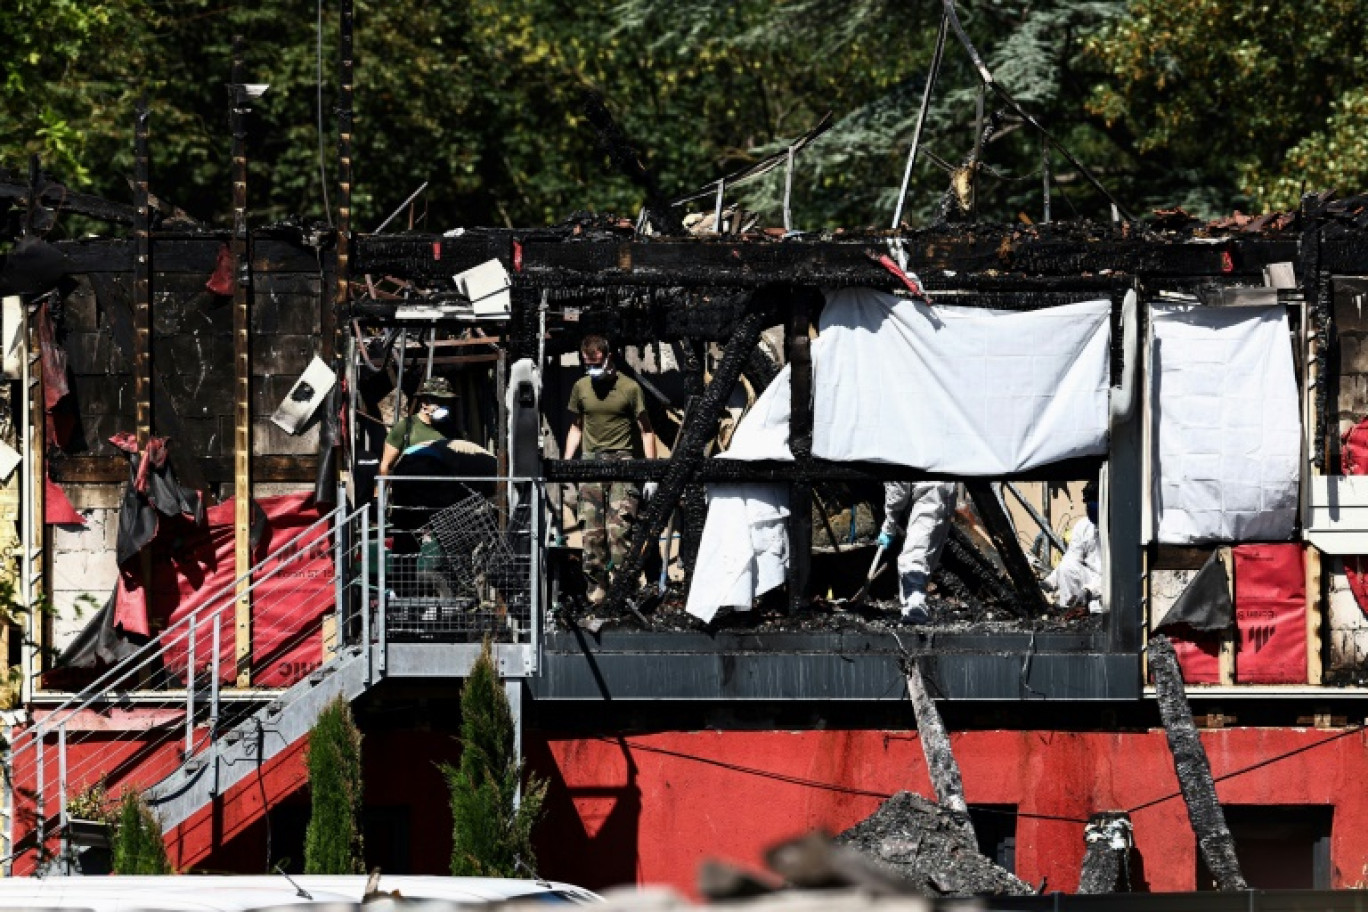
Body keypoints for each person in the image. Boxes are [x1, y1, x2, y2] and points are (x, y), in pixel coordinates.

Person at [564, 335, 657, 605]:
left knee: (619, 532)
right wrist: (567, 464)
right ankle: (597, 589)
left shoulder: (629, 388)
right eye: (587, 363)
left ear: (608, 358)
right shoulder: (581, 387)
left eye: (596, 362)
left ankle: (623, 588)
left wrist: (650, 472)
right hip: (591, 463)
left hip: (623, 463)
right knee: (592, 533)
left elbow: (646, 430)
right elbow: (576, 426)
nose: (592, 368)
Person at [878, 482, 958, 623]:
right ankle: (915, 610)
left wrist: (889, 525)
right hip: (940, 489)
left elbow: (898, 491)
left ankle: (915, 616)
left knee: (912, 560)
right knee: (923, 561)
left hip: (930, 494)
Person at [378, 376, 460, 478]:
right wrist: (380, 492)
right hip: (410, 489)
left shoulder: (451, 429)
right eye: (439, 402)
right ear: (424, 403)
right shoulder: (406, 426)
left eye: (447, 402)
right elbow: (385, 464)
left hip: (441, 490)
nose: (444, 407)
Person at [1044, 482, 1102, 613]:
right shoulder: (1083, 526)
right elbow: (1071, 558)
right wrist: (1050, 581)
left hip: (1110, 585)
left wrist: (1090, 590)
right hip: (1090, 579)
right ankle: (1070, 613)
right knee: (1067, 567)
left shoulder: (1121, 530)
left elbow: (1114, 575)